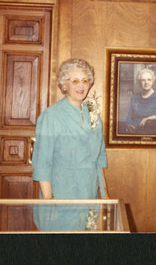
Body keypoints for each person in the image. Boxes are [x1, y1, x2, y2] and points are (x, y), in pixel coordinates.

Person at [31, 58, 108, 231]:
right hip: (61, 193)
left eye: (85, 81)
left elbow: (99, 159)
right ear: (64, 85)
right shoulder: (51, 116)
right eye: (75, 81)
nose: (81, 86)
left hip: (89, 192)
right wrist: (49, 203)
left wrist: (104, 195)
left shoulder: (93, 115)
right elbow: (42, 164)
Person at [124, 68, 156, 135]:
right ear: (139, 82)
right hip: (135, 131)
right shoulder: (134, 97)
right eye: (143, 80)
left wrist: (152, 117)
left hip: (152, 132)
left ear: (153, 82)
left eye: (149, 79)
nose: (146, 82)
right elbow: (128, 116)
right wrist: (129, 125)